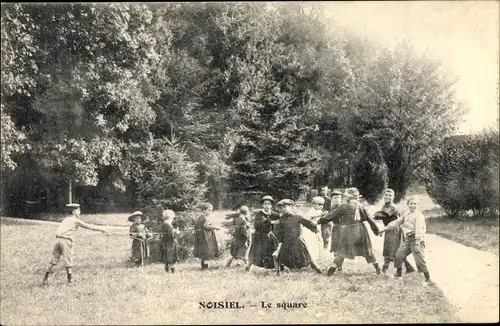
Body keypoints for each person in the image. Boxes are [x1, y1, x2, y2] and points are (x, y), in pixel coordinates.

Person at [317, 188, 382, 276]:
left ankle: (330, 272)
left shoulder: (344, 206)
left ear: (348, 197)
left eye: (346, 195)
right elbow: (368, 218)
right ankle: (378, 270)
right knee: (368, 251)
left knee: (342, 251)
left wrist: (320, 220)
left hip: (349, 231)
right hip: (361, 231)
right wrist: (377, 230)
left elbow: (332, 215)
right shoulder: (360, 205)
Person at [42, 203, 108, 286]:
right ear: (73, 212)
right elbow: (88, 226)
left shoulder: (65, 219)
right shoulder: (75, 220)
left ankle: (45, 280)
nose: (80, 211)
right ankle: (70, 281)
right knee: (68, 260)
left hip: (57, 240)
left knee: (53, 260)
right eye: (78, 210)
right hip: (66, 241)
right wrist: (101, 229)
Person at [380, 196, 432, 285]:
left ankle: (427, 278)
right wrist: (385, 228)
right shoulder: (406, 214)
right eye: (411, 203)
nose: (413, 205)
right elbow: (397, 222)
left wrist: (417, 244)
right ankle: (398, 274)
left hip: (417, 240)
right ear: (408, 204)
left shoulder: (418, 216)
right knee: (399, 255)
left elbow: (419, 230)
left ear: (418, 205)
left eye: (415, 204)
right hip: (408, 239)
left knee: (419, 259)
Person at [273, 199, 323, 275]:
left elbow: (308, 223)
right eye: (281, 207)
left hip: (297, 240)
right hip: (287, 240)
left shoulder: (297, 217)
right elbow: (280, 231)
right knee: (282, 255)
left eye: (285, 206)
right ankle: (279, 270)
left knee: (306, 255)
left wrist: (316, 232)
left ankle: (316, 267)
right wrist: (280, 241)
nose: (283, 209)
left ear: (291, 207)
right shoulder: (282, 219)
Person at [373, 189, 415, 275]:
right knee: (392, 249)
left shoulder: (392, 207)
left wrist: (375, 215)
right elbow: (380, 214)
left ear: (393, 197)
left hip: (394, 230)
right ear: (383, 196)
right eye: (386, 195)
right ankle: (407, 268)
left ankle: (388, 270)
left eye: (390, 195)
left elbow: (384, 214)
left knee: (392, 250)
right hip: (390, 229)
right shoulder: (385, 206)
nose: (387, 197)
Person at [246, 195, 280, 271]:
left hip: (269, 236)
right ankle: (248, 265)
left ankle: (276, 266)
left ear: (271, 205)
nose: (267, 206)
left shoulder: (273, 213)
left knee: (272, 250)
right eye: (265, 204)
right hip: (260, 236)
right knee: (256, 253)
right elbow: (260, 223)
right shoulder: (260, 214)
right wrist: (272, 222)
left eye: (269, 204)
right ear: (262, 205)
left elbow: (280, 217)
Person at [194, 202, 220, 270]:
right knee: (207, 253)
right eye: (209, 210)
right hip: (205, 239)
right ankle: (205, 267)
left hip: (201, 238)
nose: (210, 212)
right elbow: (206, 226)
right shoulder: (204, 218)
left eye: (211, 210)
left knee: (204, 253)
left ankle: (204, 266)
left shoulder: (200, 217)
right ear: (204, 210)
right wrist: (214, 227)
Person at [303, 196, 324, 262]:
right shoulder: (311, 210)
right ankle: (310, 257)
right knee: (311, 242)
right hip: (310, 230)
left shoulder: (320, 211)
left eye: (322, 205)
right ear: (314, 204)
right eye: (319, 204)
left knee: (317, 242)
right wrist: (320, 215)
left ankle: (316, 257)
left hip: (317, 229)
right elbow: (309, 217)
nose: (321, 206)